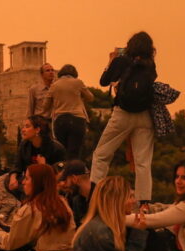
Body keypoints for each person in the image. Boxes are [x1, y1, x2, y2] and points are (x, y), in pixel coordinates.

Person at [90, 32, 157, 208]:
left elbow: (104, 81)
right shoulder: (150, 65)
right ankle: (144, 203)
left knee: (101, 154)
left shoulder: (121, 60)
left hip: (123, 113)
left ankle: (94, 195)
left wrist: (111, 61)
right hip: (145, 116)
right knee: (143, 161)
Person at [6, 115, 64, 200]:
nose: (23, 130)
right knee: (8, 181)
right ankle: (28, 200)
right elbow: (17, 165)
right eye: (23, 126)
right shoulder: (24, 145)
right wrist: (13, 178)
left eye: (27, 126)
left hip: (47, 183)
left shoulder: (56, 148)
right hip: (29, 181)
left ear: (37, 129)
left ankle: (31, 201)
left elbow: (60, 175)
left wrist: (44, 167)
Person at [47, 64, 94, 160]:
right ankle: (73, 172)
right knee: (74, 152)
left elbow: (46, 104)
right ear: (74, 74)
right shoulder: (78, 82)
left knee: (61, 150)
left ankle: (62, 172)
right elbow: (90, 97)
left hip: (60, 119)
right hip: (77, 119)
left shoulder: (54, 85)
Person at [58, 160, 95, 227]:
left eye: (65, 180)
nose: (64, 185)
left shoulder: (101, 198)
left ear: (74, 178)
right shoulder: (77, 200)